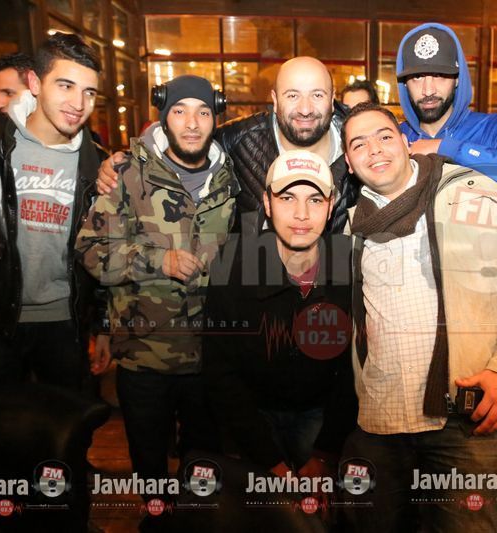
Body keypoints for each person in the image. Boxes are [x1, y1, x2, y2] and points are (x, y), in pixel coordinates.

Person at [340, 102, 497, 533]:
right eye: (359, 144)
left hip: (464, 419)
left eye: (384, 136)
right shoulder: (352, 226)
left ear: (406, 142)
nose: (374, 149)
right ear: (348, 161)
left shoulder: (471, 192)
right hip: (381, 418)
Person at [76, 75, 239, 488]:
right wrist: (157, 261)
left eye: (203, 112)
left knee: (205, 466)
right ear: (164, 116)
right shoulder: (129, 175)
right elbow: (91, 249)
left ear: (216, 117)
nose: (192, 123)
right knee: (150, 468)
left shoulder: (231, 179)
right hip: (144, 357)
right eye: (179, 111)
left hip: (210, 358)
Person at [0, 33, 106, 390]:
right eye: (65, 85)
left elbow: (103, 250)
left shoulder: (97, 163)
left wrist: (103, 325)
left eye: (89, 92)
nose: (79, 103)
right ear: (35, 83)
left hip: (66, 324)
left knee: (68, 421)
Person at [203, 150, 356, 481]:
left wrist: (325, 451)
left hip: (322, 416)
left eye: (315, 200)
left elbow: (353, 371)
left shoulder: (348, 263)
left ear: (331, 205)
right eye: (287, 198)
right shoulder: (234, 264)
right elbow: (220, 370)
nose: (301, 214)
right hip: (252, 416)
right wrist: (267, 458)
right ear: (267, 203)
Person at [96, 57, 359, 235]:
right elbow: (188, 139)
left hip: (333, 290)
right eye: (293, 95)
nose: (305, 109)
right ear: (275, 100)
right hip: (257, 288)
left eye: (317, 95)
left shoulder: (357, 143)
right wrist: (131, 159)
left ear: (332, 99)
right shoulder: (239, 139)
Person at [396, 23, 497, 207]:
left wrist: (447, 147)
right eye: (417, 77)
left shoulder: (493, 129)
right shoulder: (395, 138)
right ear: (404, 84)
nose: (428, 90)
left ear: (457, 79)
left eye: (439, 75)